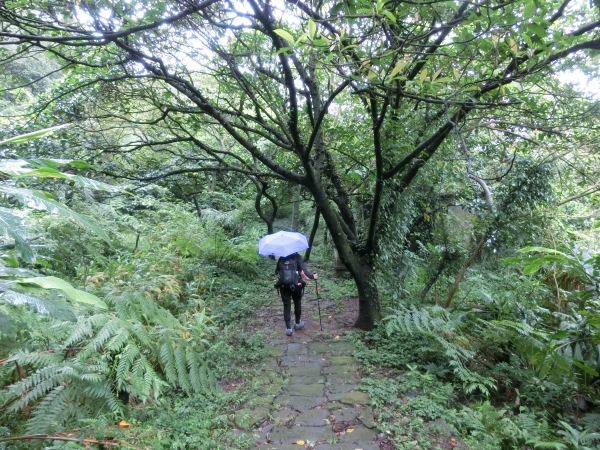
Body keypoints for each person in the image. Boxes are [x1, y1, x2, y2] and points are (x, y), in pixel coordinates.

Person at [275, 252, 318, 336]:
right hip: (296, 285)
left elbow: (277, 272)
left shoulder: (281, 257)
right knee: (297, 302)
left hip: (283, 286)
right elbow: (304, 272)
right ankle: (298, 323)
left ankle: (288, 329)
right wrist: (313, 276)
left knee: (286, 305)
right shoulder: (297, 256)